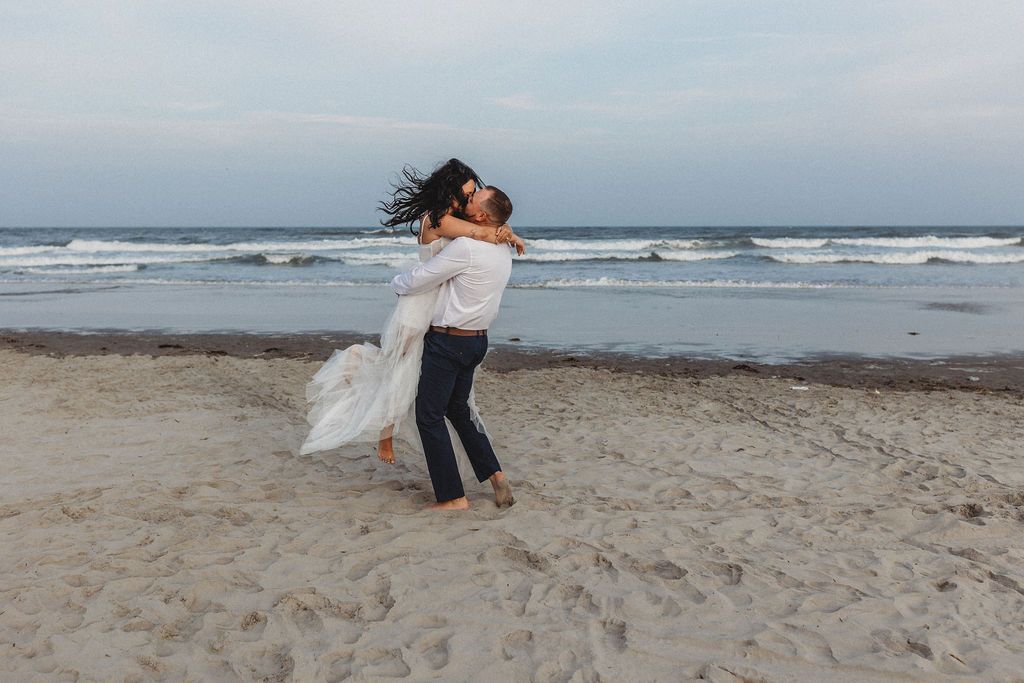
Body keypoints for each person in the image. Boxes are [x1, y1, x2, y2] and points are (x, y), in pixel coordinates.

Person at [300, 159, 523, 468]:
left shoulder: (458, 220)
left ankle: (391, 429)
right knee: (399, 367)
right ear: (451, 191)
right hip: (419, 301)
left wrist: (505, 230)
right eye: (467, 193)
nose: (469, 199)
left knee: (412, 371)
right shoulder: (436, 219)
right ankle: (385, 432)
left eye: (473, 194)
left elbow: (482, 230)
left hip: (440, 304)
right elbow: (481, 233)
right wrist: (505, 233)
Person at [390, 185, 516, 511]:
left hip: (449, 341)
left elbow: (422, 278)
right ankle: (495, 475)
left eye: (473, 199)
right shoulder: (501, 249)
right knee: (458, 410)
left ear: (481, 215)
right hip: (477, 341)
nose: (467, 201)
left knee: (428, 416)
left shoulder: (467, 248)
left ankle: (452, 498)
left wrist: (395, 284)